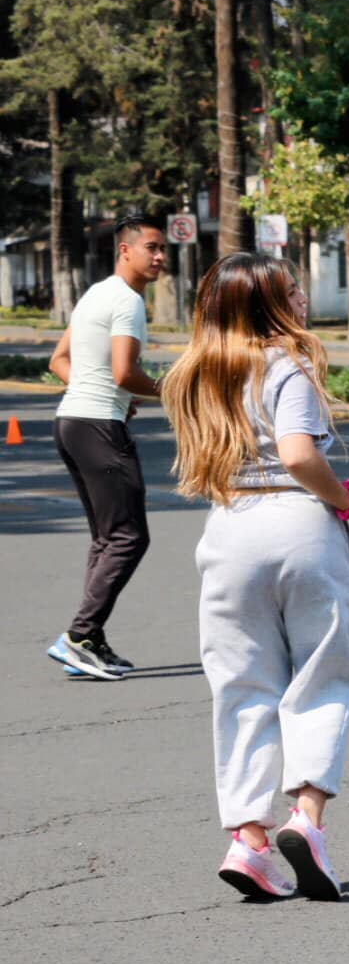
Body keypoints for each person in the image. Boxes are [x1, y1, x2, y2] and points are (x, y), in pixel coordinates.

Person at [162, 254, 349, 900]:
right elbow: (296, 452)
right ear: (268, 306)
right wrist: (348, 499)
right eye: (292, 289)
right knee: (321, 676)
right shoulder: (289, 364)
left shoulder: (192, 375)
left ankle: (249, 840)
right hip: (297, 523)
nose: (305, 296)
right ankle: (306, 820)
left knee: (242, 686)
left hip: (228, 526)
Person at [44, 212, 167, 680]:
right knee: (129, 537)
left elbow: (61, 361)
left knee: (106, 538)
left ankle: (88, 641)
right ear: (126, 250)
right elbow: (124, 373)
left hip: (73, 421)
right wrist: (170, 390)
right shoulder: (128, 302)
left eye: (162, 250)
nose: (158, 257)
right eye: (151, 248)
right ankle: (78, 635)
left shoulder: (96, 293)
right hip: (96, 427)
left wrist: (107, 395)